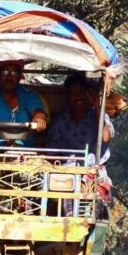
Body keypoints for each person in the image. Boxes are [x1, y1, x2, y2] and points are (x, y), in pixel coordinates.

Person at [47, 73, 115, 201]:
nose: (77, 97)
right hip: (68, 178)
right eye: (73, 94)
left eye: (81, 93)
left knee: (98, 209)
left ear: (87, 95)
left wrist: (98, 108)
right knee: (70, 209)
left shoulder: (99, 117)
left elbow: (106, 137)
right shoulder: (60, 123)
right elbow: (51, 154)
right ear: (67, 97)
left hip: (95, 176)